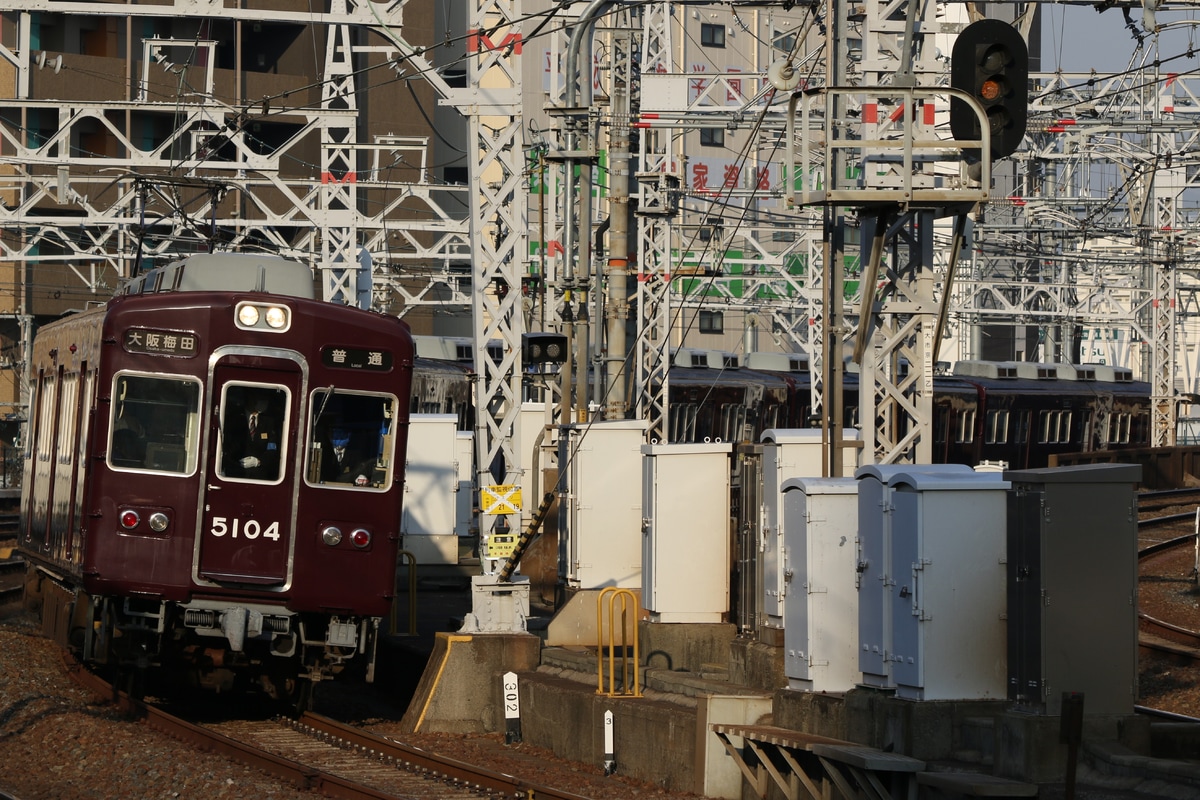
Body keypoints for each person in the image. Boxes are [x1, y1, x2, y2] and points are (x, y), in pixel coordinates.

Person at [222, 392, 282, 479]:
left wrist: (259, 461)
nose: (263, 402)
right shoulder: (234, 419)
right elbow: (226, 446)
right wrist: (235, 462)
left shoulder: (269, 422)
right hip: (236, 474)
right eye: (259, 399)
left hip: (259, 476)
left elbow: (272, 448)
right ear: (250, 399)